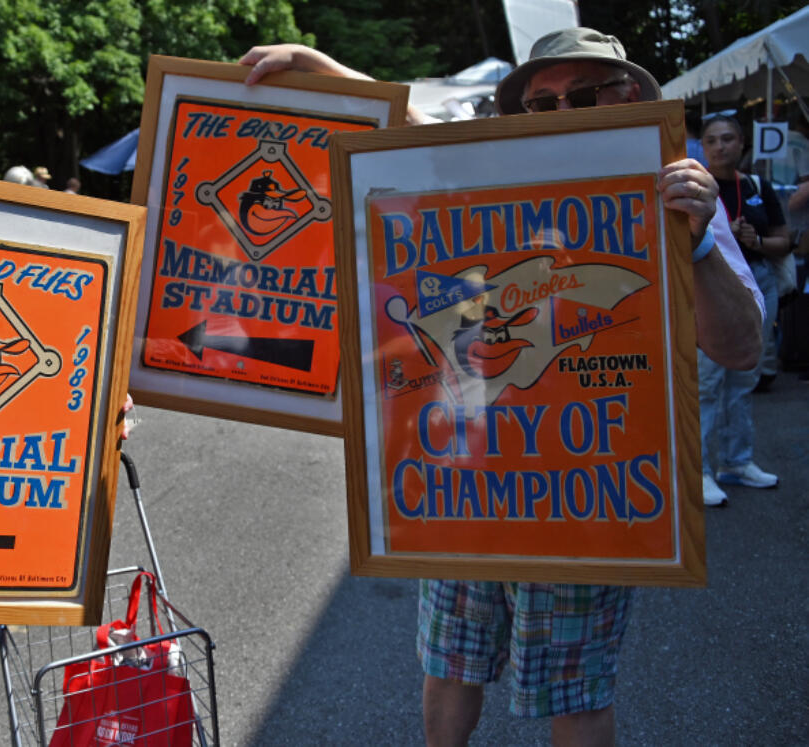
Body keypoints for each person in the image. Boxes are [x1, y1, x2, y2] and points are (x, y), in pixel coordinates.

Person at [241, 27, 763, 746]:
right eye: (539, 100)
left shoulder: (675, 185)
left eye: (582, 94)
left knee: (574, 689)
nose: (557, 111)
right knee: (450, 664)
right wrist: (317, 63)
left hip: (590, 490)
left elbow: (740, 348)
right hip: (470, 480)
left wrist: (698, 238)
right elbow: (403, 127)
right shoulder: (485, 171)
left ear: (631, 97)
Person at [699, 114, 788, 502]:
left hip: (757, 284)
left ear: (741, 144)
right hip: (711, 293)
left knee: (743, 379)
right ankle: (698, 469)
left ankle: (736, 461)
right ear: (703, 147)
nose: (720, 147)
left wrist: (755, 242)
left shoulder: (756, 186)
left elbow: (783, 241)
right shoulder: (691, 186)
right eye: (713, 140)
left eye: (728, 139)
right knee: (705, 384)